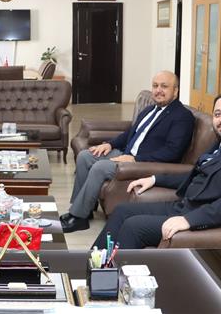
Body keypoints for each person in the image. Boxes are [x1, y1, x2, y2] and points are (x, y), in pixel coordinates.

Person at [92, 90, 221, 249]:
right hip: (186, 206)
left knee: (134, 226)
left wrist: (189, 220)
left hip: (208, 218)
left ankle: (114, 275)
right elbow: (196, 174)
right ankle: (94, 267)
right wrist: (154, 179)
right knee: (122, 211)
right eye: (218, 114)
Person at [61, 71, 194, 233]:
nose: (158, 90)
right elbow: (130, 133)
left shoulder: (182, 116)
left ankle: (78, 218)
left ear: (175, 91)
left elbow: (172, 152)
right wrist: (110, 145)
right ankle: (83, 209)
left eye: (164, 86)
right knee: (85, 156)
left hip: (144, 163)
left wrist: (136, 159)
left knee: (100, 167)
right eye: (155, 86)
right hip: (126, 154)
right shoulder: (150, 110)